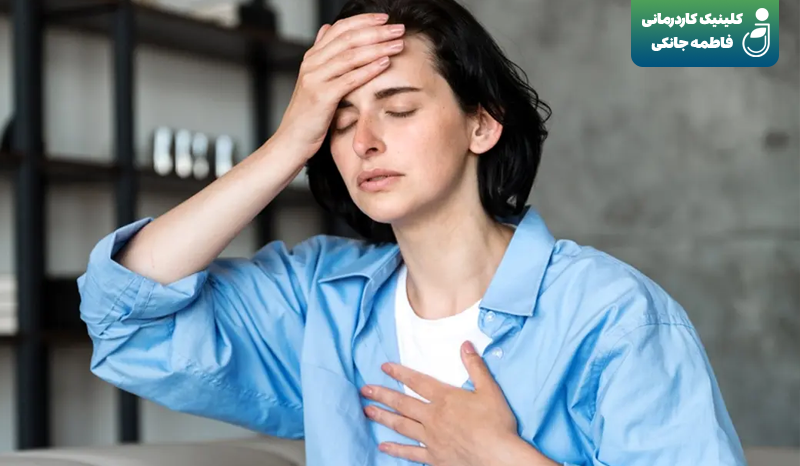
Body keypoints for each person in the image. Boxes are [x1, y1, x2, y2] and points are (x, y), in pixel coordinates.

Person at [77, 0, 747, 465]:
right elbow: (126, 315)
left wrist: (501, 459)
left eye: (398, 109)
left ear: (481, 124)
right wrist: (288, 144)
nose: (364, 141)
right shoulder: (322, 301)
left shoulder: (614, 318)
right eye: (340, 122)